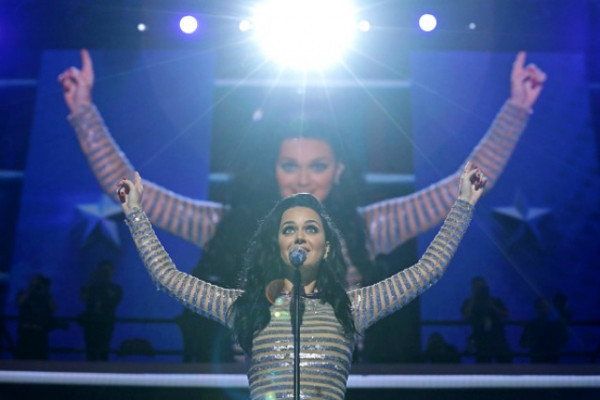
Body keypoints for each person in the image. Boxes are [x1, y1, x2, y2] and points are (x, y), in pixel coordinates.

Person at [59, 50, 545, 361]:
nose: (303, 178)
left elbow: (459, 190)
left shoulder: (372, 226)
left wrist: (517, 109)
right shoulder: (225, 225)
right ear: (272, 169)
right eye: (289, 164)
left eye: (318, 165)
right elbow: (136, 195)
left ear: (339, 170)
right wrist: (83, 113)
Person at [116, 162, 485, 399]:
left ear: (327, 248)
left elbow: (427, 270)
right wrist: (135, 214)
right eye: (288, 229)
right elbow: (168, 278)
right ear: (276, 246)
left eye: (311, 228)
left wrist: (463, 205)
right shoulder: (245, 308)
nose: (299, 236)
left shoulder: (351, 308)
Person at [78, 260, 123, 361]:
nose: (105, 273)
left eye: (107, 271)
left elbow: (114, 299)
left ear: (112, 272)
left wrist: (105, 284)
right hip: (91, 323)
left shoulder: (116, 288)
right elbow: (83, 297)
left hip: (106, 323)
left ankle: (103, 369)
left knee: (104, 350)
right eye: (103, 271)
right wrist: (91, 279)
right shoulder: (92, 287)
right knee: (90, 351)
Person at [461, 276, 513, 363]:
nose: (480, 290)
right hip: (480, 338)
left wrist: (492, 305)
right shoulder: (469, 302)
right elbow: (465, 316)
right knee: (483, 362)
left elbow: (506, 314)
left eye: (481, 287)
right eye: (477, 288)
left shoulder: (495, 301)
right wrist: (473, 298)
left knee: (505, 362)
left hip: (497, 336)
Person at [15, 274, 57, 360]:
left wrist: (46, 291)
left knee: (39, 359)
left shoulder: (44, 296)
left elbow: (53, 308)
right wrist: (31, 288)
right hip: (26, 332)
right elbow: (20, 302)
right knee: (23, 358)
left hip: (40, 333)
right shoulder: (24, 293)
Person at [519, 296, 568, 363]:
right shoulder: (531, 325)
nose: (542, 310)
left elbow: (563, 340)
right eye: (539, 307)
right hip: (538, 359)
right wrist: (532, 343)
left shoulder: (555, 325)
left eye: (544, 307)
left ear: (548, 308)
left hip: (551, 359)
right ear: (536, 309)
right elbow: (522, 343)